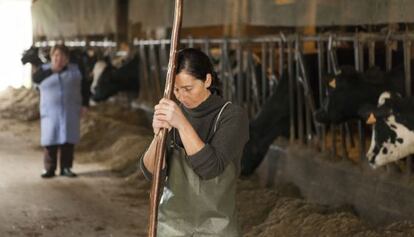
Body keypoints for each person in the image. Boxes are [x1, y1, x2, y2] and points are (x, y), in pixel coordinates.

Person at [140, 48, 249, 236]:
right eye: (176, 89)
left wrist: (182, 124)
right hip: (172, 226)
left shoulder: (231, 116)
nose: (181, 97)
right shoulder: (173, 115)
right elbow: (152, 173)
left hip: (215, 227)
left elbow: (210, 168)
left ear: (207, 80)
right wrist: (158, 136)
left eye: (188, 88)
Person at [32, 44, 88, 178]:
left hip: (70, 111)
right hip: (50, 113)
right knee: (50, 141)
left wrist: (85, 105)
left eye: (62, 56)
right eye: (56, 55)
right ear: (51, 57)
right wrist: (52, 70)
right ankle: (49, 169)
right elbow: (35, 79)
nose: (59, 58)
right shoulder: (43, 70)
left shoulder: (76, 71)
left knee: (68, 141)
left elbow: (85, 87)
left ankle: (66, 168)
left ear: (67, 58)